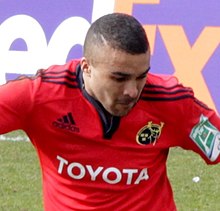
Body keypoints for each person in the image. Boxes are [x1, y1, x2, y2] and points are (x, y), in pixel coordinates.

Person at [0, 12, 219, 211]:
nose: (132, 91)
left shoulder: (170, 101)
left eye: (141, 76)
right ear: (86, 67)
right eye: (119, 78)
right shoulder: (40, 96)